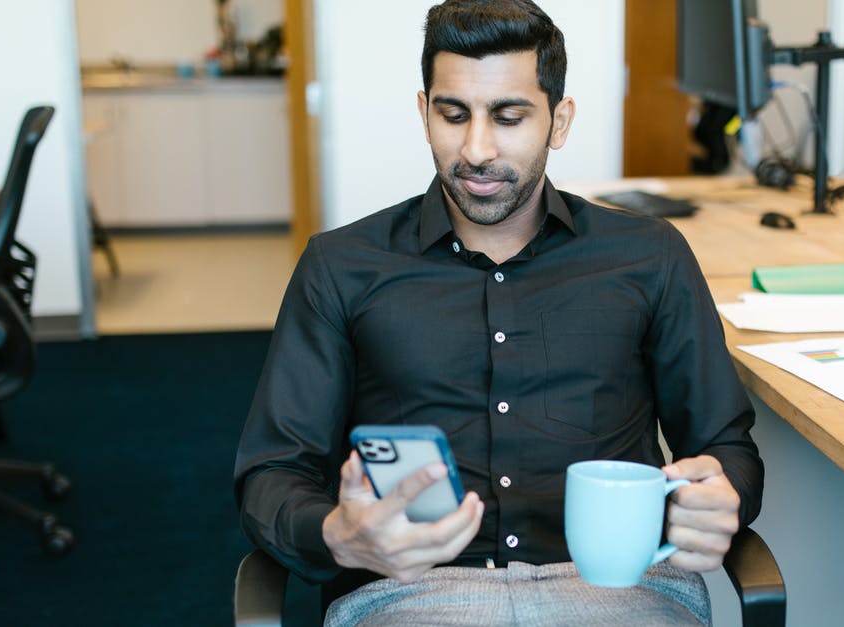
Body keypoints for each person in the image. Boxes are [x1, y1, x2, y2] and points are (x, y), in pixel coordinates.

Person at [235, 1, 763, 624]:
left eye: (509, 117)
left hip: (620, 590)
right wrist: (336, 534)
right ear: (423, 112)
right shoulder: (341, 266)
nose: (477, 150)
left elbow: (725, 444)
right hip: (413, 593)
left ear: (558, 122)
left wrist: (722, 496)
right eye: (452, 115)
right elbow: (272, 471)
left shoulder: (648, 256)